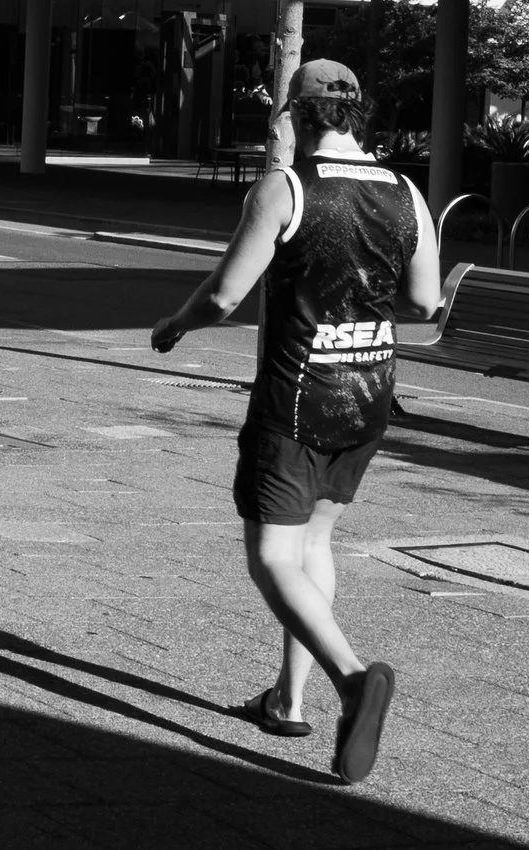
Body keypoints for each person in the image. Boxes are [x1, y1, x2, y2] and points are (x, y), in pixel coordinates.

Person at [151, 58, 442, 784]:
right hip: (369, 395)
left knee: (272, 557)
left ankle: (352, 680)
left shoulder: (285, 189)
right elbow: (423, 302)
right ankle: (287, 700)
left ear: (294, 113)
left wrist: (175, 323)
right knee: (314, 542)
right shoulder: (407, 191)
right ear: (357, 112)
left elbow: (224, 296)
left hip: (297, 398)